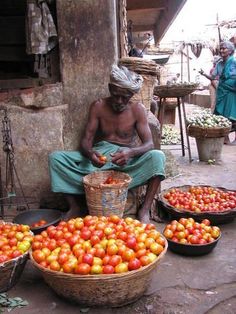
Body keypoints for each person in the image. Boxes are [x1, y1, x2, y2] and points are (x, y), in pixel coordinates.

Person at [49, 64, 166, 223]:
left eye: (124, 97)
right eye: (116, 95)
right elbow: (86, 141)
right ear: (110, 88)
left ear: (131, 94)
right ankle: (75, 207)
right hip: (101, 159)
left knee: (158, 157)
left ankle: (144, 210)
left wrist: (130, 152)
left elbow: (149, 144)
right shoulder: (98, 106)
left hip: (126, 162)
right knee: (55, 158)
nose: (119, 101)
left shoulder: (137, 109)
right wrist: (90, 154)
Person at [213, 41, 236, 145]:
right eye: (221, 48)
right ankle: (225, 138)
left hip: (233, 91)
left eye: (224, 48)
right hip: (222, 90)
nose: (221, 50)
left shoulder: (234, 61)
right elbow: (214, 76)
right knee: (221, 115)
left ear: (230, 51)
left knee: (233, 114)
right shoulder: (219, 63)